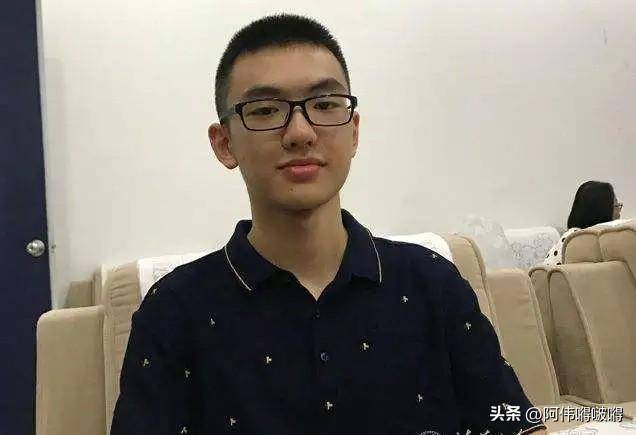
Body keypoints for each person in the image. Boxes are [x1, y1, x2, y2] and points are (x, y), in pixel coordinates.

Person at [111, 14, 546, 435]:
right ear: (224, 144)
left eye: (323, 105)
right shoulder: (172, 312)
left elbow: (511, 421)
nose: (300, 132)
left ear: (354, 131)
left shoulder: (433, 283)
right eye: (265, 110)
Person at [544, 180, 623, 266]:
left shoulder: (578, 235)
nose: (619, 213)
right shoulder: (578, 240)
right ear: (602, 212)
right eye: (616, 206)